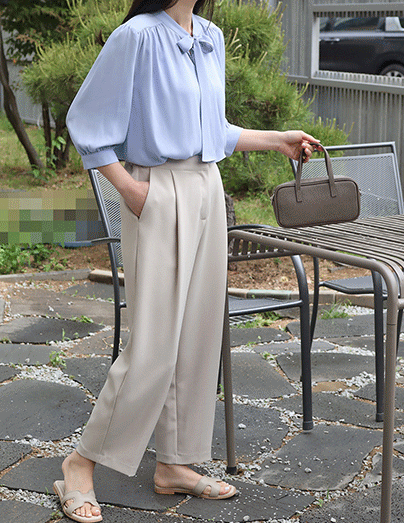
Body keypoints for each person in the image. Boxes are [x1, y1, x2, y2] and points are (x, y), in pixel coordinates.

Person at [55, 0, 319, 520]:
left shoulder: (209, 36)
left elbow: (213, 131)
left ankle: (174, 464)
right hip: (157, 191)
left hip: (206, 187)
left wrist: (277, 141)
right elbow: (85, 122)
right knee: (153, 344)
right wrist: (131, 191)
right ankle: (80, 464)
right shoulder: (136, 36)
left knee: (198, 334)